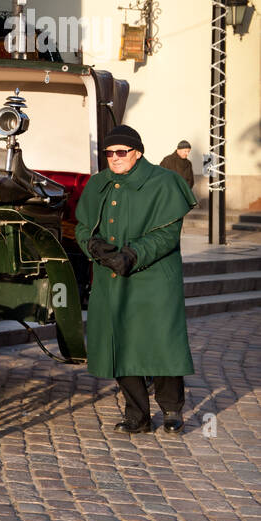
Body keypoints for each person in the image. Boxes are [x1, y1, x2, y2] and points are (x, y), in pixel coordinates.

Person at [76, 125, 196, 434]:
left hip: (154, 279)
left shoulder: (164, 182)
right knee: (121, 344)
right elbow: (81, 226)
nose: (114, 158)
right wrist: (92, 245)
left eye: (121, 152)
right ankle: (137, 415)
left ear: (137, 152)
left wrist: (132, 255)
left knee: (161, 343)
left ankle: (171, 410)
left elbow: (167, 234)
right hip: (111, 280)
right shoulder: (98, 183)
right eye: (109, 153)